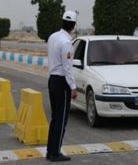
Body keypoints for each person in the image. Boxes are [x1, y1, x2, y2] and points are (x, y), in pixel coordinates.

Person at [46, 11, 78, 162]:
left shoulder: (53, 37)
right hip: (61, 82)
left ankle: (50, 150)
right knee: (61, 119)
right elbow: (67, 68)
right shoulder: (66, 43)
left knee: (54, 118)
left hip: (52, 79)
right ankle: (55, 153)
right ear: (73, 25)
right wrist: (73, 87)